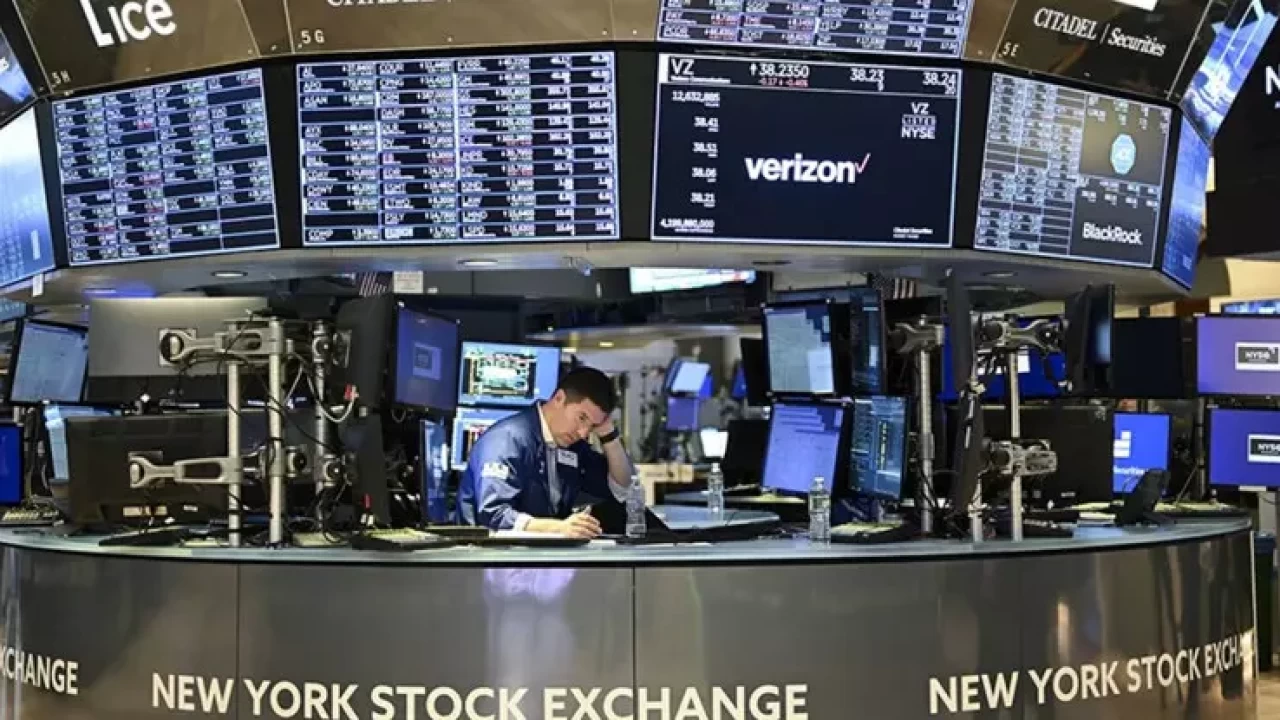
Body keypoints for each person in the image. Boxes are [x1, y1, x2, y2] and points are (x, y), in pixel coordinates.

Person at [457, 366, 636, 538]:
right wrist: (558, 528)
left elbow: (622, 489)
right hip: (486, 554)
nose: (583, 433)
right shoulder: (506, 440)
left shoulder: (572, 446)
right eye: (582, 418)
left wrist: (609, 436)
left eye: (592, 426)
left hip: (538, 554)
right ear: (559, 398)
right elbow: (493, 514)